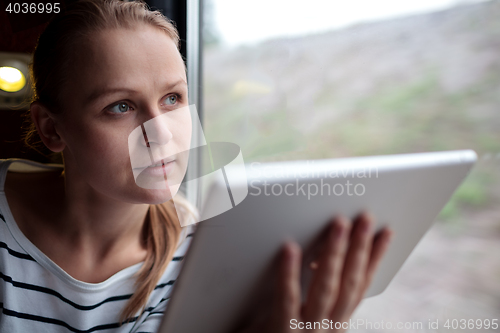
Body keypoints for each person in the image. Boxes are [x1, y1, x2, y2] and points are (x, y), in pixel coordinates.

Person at [0, 0, 393, 332]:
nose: (163, 134)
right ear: (52, 129)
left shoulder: (202, 259)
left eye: (172, 99)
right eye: (120, 106)